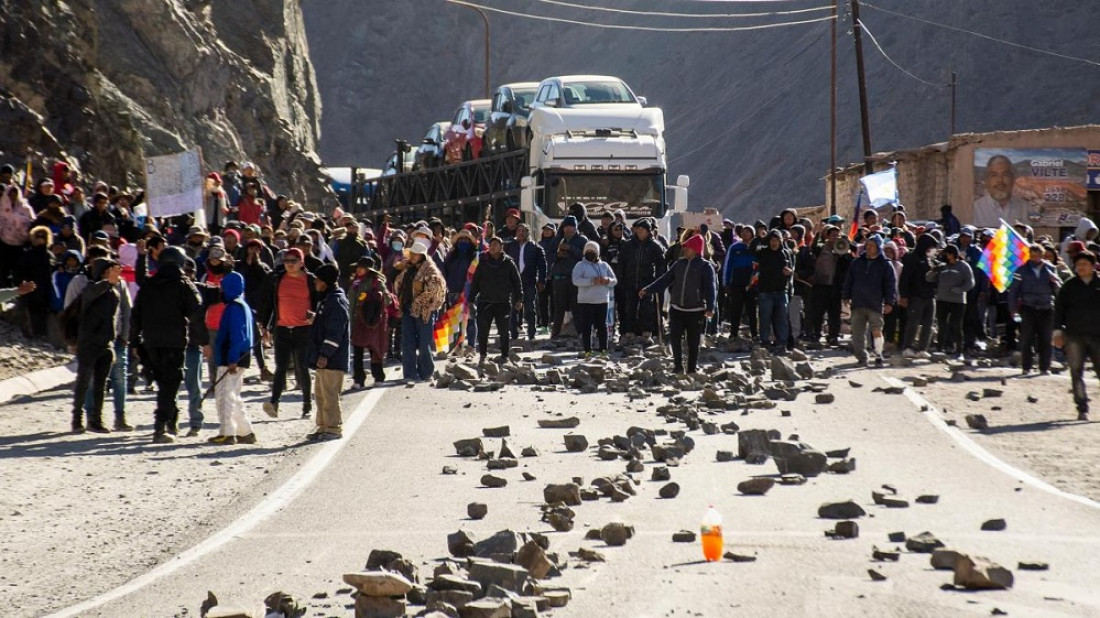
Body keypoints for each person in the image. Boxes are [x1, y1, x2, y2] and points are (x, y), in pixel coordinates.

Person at [130, 246, 202, 443]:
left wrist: (134, 341)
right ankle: (160, 428)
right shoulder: (183, 285)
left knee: (165, 383)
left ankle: (171, 421)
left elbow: (135, 315)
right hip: (174, 343)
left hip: (151, 342)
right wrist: (204, 341)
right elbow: (196, 313)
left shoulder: (149, 285)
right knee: (170, 384)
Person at [639, 234, 716, 374]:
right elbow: (665, 280)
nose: (685, 249)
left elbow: (711, 288)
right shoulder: (679, 264)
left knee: (693, 342)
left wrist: (711, 307)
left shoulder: (706, 266)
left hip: (696, 310)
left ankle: (692, 368)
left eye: (688, 247)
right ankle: (678, 366)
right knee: (675, 339)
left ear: (695, 249)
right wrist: (648, 289)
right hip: (676, 308)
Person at [258, 248, 318, 419]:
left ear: (301, 262)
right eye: (287, 261)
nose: (290, 265)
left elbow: (318, 303)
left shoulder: (311, 280)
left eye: (293, 261)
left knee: (303, 367)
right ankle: (274, 402)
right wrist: (265, 327)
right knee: (280, 367)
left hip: (303, 329)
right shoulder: (277, 279)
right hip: (282, 328)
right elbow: (268, 303)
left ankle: (307, 404)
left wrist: (315, 320)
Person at [71, 258, 122, 434]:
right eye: (108, 271)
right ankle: (76, 418)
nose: (112, 274)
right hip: (89, 342)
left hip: (106, 344)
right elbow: (92, 293)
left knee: (101, 385)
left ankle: (95, 420)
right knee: (83, 381)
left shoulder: (114, 292)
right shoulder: (91, 289)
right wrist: (107, 283)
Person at [207, 271, 256, 445]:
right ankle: (246, 431)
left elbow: (237, 334)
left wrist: (232, 358)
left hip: (231, 358)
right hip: (240, 356)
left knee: (223, 396)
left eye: (222, 286)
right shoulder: (242, 305)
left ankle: (227, 433)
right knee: (233, 395)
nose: (220, 290)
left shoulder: (234, 307)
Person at [1053, 251, 1100, 421]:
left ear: (1093, 266)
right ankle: (1082, 407)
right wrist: (1057, 331)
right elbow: (1059, 310)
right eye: (1078, 265)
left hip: (1098, 336)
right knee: (1076, 372)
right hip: (1075, 336)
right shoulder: (1069, 286)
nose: (1081, 267)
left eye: (1084, 264)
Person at [306, 264, 350, 440]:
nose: (315, 282)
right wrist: (315, 320)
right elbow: (327, 323)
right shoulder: (327, 299)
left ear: (324, 282)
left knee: (330, 394)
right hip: (323, 357)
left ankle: (333, 428)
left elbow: (335, 332)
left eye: (317, 279)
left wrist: (325, 354)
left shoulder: (336, 301)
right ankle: (323, 426)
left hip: (332, 358)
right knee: (320, 393)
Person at [393, 239, 446, 382]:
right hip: (407, 308)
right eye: (412, 253)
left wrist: (419, 303)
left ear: (422, 255)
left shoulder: (430, 269)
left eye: (415, 254)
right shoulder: (408, 269)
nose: (413, 256)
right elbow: (399, 284)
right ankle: (409, 374)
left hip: (424, 311)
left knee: (424, 343)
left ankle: (426, 373)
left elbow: (434, 291)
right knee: (407, 342)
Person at [841, 234, 897, 366]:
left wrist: (889, 302)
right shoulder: (856, 263)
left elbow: (890, 285)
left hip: (875, 303)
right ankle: (862, 357)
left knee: (876, 330)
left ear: (879, 247)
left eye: (873, 245)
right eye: (868, 245)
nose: (870, 248)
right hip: (858, 303)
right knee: (857, 333)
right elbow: (849, 281)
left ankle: (878, 355)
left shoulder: (885, 265)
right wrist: (845, 296)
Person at [1009, 243, 1061, 375]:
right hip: (1028, 307)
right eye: (1032, 256)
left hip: (1047, 307)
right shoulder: (1021, 270)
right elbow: (1013, 291)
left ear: (1042, 255)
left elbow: (1058, 290)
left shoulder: (1050, 269)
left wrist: (1055, 281)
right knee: (1026, 338)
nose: (1035, 258)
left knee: (1046, 339)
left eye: (1038, 255)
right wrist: (1013, 309)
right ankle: (1026, 367)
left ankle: (1045, 367)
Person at [470, 237, 522, 365]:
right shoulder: (483, 262)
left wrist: (519, 299)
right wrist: (471, 300)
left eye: (495, 244)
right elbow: (475, 282)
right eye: (491, 244)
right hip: (485, 302)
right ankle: (483, 356)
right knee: (483, 331)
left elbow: (517, 283)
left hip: (503, 302)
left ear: (501, 247)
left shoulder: (509, 263)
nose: (492, 247)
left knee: (504, 331)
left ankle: (504, 356)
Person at [618, 219, 666, 337]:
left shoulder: (655, 246)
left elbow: (661, 264)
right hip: (630, 281)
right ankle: (629, 332)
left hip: (647, 282)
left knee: (646, 309)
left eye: (642, 229)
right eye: (638, 229)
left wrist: (658, 280)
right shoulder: (628, 245)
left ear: (648, 231)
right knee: (630, 308)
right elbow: (621, 262)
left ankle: (646, 332)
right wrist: (621, 278)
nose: (640, 231)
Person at [926, 245, 974, 356]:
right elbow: (928, 278)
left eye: (947, 254)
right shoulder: (942, 266)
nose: (946, 256)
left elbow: (970, 282)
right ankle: (940, 348)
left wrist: (961, 289)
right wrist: (934, 270)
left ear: (953, 254)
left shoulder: (963, 266)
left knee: (956, 325)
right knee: (942, 325)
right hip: (942, 299)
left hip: (958, 301)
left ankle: (959, 349)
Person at [349, 257, 389, 389]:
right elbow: (351, 305)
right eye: (357, 267)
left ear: (368, 269)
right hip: (357, 322)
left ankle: (378, 377)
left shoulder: (377, 282)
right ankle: (359, 380)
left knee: (374, 350)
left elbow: (387, 300)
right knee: (358, 351)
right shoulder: (355, 283)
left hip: (373, 323)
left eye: (361, 267)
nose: (358, 269)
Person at [572, 240, 617, 357]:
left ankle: (603, 349)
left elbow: (614, 280)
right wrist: (591, 281)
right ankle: (587, 350)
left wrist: (607, 280)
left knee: (603, 326)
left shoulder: (604, 265)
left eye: (593, 251)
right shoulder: (580, 265)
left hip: (602, 300)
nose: (590, 253)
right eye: (588, 251)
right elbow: (575, 280)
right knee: (586, 327)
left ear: (597, 252)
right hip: (585, 301)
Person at [899, 234, 940, 358]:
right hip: (915, 296)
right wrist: (904, 296)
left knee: (928, 324)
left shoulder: (931, 260)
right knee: (913, 322)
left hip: (930, 296)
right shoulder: (911, 258)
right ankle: (907, 347)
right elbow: (904, 278)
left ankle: (922, 349)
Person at [505, 223, 546, 342]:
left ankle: (531, 334)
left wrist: (541, 280)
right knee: (513, 308)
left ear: (528, 233)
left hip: (529, 281)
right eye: (519, 231)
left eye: (524, 231)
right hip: (513, 282)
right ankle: (513, 334)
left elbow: (542, 266)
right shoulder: (510, 246)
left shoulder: (535, 247)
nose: (521, 233)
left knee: (529, 308)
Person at [755, 230, 793, 353]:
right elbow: (752, 248)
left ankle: (782, 342)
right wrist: (760, 239)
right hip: (765, 291)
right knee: (765, 318)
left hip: (781, 291)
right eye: (771, 240)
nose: (774, 243)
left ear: (781, 241)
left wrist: (789, 273)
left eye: (776, 240)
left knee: (782, 319)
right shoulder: (763, 252)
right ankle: (765, 342)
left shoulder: (785, 253)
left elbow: (791, 270)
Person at [973, 155, 1029, 228]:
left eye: (1005, 175)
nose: (1000, 180)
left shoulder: (1026, 208)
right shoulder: (975, 209)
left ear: (1013, 179)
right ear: (987, 180)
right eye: (994, 175)